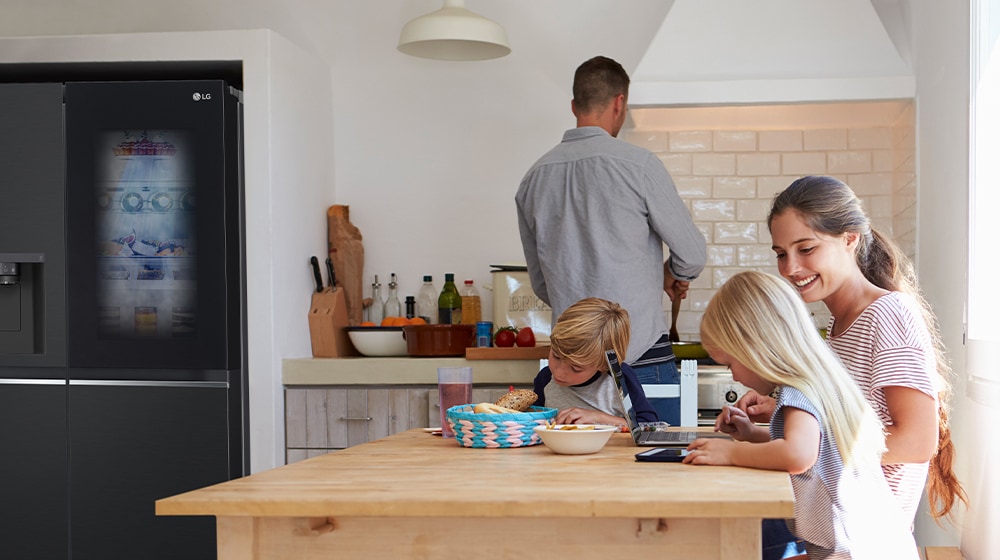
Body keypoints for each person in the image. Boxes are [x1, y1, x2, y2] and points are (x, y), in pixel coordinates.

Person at [735, 176, 967, 527]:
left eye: (806, 249)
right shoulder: (841, 325)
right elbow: (848, 429)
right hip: (833, 528)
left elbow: (916, 441)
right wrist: (777, 423)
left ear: (849, 239)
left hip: (863, 538)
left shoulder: (888, 314)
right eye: (782, 254)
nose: (791, 268)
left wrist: (804, 442)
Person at [516, 55, 707, 426]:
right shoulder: (639, 165)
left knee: (562, 471)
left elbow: (542, 285)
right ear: (620, 102)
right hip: (642, 358)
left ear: (574, 106)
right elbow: (693, 255)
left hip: (569, 369)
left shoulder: (533, 179)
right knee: (652, 464)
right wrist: (668, 273)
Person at [685, 271, 919, 560]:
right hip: (874, 546)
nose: (732, 374)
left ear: (757, 348)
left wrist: (730, 454)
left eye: (730, 362)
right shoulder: (820, 380)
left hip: (851, 553)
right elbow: (819, 446)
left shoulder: (798, 391)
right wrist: (752, 434)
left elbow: (798, 454)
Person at [532, 297, 657, 427]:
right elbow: (532, 424)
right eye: (556, 356)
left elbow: (650, 426)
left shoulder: (619, 378)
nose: (559, 372)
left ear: (603, 365)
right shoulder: (545, 379)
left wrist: (600, 418)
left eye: (576, 368)